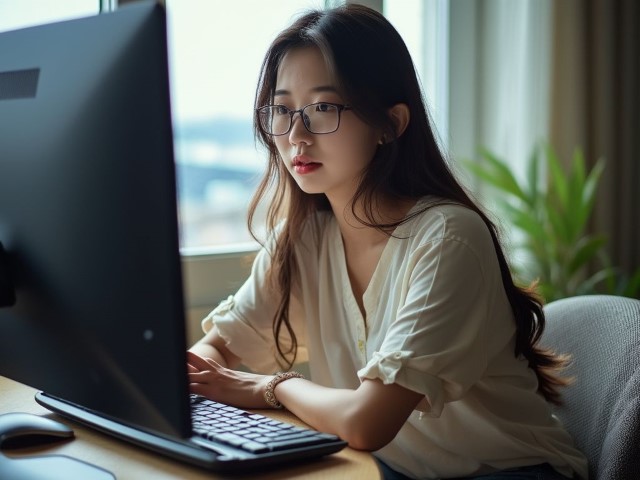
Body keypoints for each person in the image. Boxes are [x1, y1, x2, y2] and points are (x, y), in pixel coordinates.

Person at [187, 4, 588, 479]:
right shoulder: (302, 240)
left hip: (509, 472)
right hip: (388, 469)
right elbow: (213, 356)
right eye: (282, 109)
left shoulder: (447, 239)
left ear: (391, 123)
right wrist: (207, 376)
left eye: (323, 108)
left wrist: (270, 387)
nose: (296, 135)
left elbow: (367, 420)